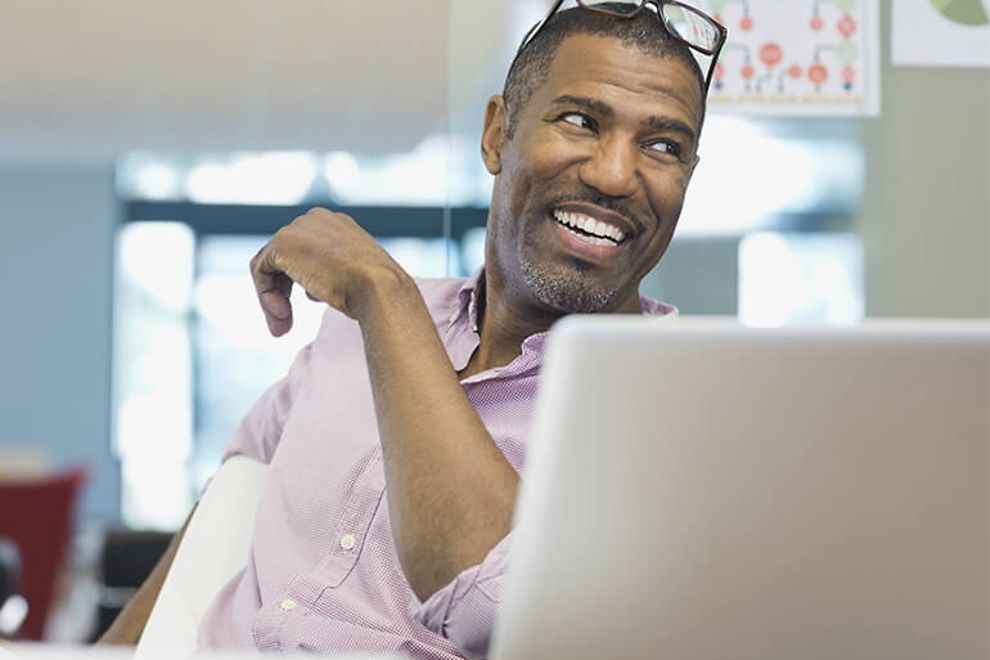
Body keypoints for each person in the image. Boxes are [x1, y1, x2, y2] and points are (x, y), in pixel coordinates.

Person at [100, 2, 724, 657]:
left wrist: (386, 300)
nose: (614, 175)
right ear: (496, 134)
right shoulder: (348, 331)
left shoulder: (678, 409)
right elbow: (234, 492)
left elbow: (496, 609)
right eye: (579, 121)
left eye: (663, 146)